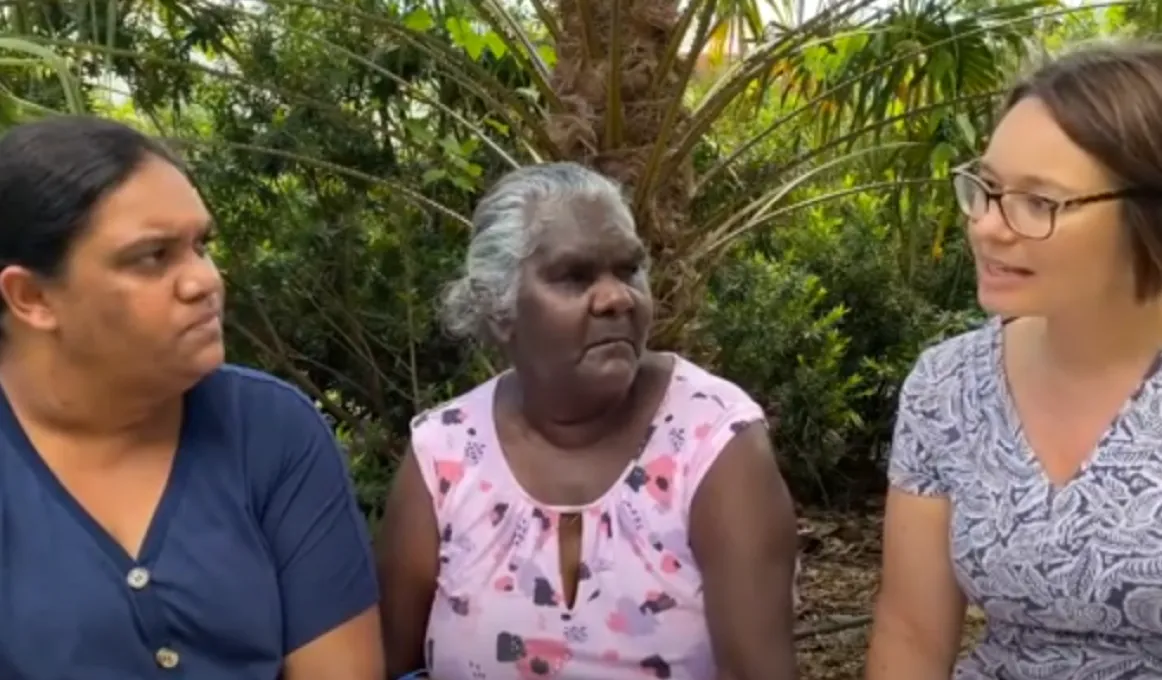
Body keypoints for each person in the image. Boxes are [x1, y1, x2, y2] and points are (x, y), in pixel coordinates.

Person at [377, 162, 799, 680]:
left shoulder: (713, 442)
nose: (617, 297)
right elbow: (389, 666)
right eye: (574, 277)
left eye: (629, 270)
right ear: (499, 310)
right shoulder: (444, 455)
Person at [0, 116, 383, 679]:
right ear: (31, 296)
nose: (204, 281)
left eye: (201, 245)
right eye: (153, 256)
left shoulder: (269, 431)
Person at [866, 42, 1162, 680]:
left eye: (1040, 202)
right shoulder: (949, 386)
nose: (988, 227)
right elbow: (912, 633)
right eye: (988, 189)